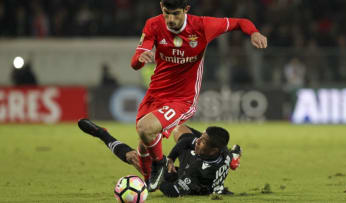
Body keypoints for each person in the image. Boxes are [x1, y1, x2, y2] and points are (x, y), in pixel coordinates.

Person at [130, 0, 267, 191]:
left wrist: (254, 32)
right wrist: (140, 59)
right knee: (144, 144)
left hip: (182, 99)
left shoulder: (203, 25)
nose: (170, 19)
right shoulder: (153, 24)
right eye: (166, 13)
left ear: (186, 10)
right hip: (155, 94)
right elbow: (135, 62)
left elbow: (239, 22)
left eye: (175, 13)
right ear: (161, 7)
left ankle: (159, 164)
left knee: (145, 129)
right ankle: (150, 182)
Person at [77, 119, 242, 197]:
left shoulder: (196, 171)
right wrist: (170, 158)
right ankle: (234, 158)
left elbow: (172, 191)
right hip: (204, 160)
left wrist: (157, 175)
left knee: (135, 157)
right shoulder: (217, 151)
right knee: (179, 127)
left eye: (203, 141)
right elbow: (186, 140)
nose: (198, 141)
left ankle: (103, 135)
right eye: (201, 137)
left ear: (214, 150)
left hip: (192, 180)